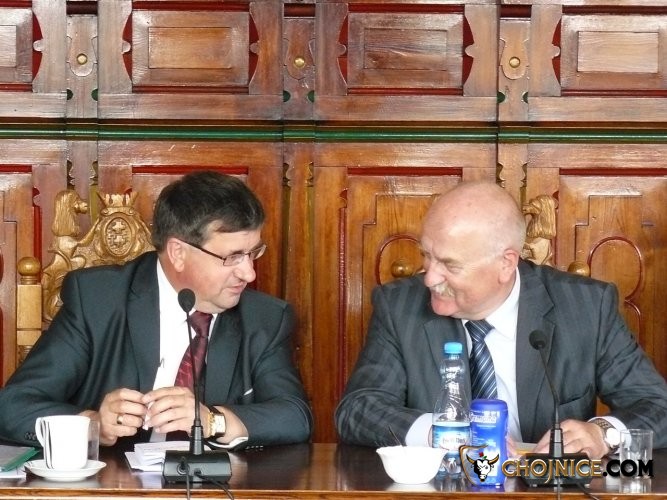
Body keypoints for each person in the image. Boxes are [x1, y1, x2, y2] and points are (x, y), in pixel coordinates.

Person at [335, 181, 667, 459]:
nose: (430, 278)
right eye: (427, 256)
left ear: (506, 264)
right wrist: (442, 433)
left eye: (450, 265)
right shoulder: (399, 306)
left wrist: (603, 433)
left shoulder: (586, 308)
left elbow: (657, 405)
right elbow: (358, 409)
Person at [0, 171, 312, 450]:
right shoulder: (97, 301)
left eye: (253, 253)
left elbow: (295, 416)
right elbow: (13, 406)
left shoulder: (265, 318)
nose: (249, 273)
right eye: (233, 257)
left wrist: (212, 420)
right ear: (178, 253)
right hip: (111, 483)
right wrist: (92, 425)